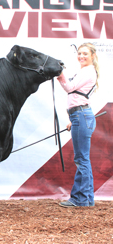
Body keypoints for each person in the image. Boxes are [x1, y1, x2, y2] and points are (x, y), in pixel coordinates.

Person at [57, 43, 99, 207]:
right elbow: (76, 94)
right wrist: (72, 121)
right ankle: (86, 198)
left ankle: (80, 199)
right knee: (83, 159)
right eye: (79, 53)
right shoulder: (85, 71)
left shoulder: (88, 71)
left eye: (85, 54)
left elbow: (70, 87)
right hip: (79, 116)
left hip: (80, 116)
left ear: (93, 56)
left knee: (82, 159)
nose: (81, 56)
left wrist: (60, 73)